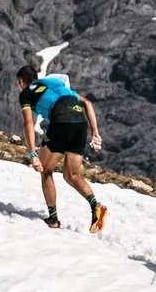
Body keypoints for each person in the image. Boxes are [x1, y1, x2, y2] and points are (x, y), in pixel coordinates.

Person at [18, 61, 107, 232]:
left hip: (61, 117)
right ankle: (96, 206)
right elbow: (87, 103)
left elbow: (28, 123)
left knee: (46, 170)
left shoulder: (26, 93)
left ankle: (53, 219)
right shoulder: (56, 84)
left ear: (21, 82)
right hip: (80, 122)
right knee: (71, 174)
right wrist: (95, 132)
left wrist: (32, 154)